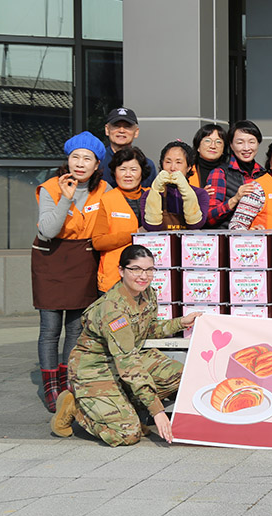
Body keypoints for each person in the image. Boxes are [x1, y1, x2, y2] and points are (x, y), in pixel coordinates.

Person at [50, 245, 202, 446]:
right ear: (121, 270)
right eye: (136, 269)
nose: (143, 276)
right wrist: (157, 411)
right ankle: (76, 407)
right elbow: (128, 364)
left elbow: (148, 329)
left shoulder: (147, 294)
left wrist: (180, 322)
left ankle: (123, 407)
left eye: (149, 270)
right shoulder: (113, 310)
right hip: (96, 370)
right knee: (128, 434)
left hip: (126, 360)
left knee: (183, 374)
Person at [33, 132, 109, 411]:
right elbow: (48, 230)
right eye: (75, 157)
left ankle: (69, 384)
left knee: (76, 328)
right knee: (50, 328)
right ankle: (51, 388)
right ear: (67, 160)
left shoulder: (104, 191)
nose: (80, 163)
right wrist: (65, 199)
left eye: (87, 158)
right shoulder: (51, 187)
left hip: (83, 261)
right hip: (51, 258)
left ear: (97, 164)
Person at [92, 147, 151, 293]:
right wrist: (135, 233)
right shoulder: (107, 199)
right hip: (114, 280)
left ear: (142, 172)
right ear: (115, 172)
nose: (128, 175)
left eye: (133, 169)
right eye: (122, 169)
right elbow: (98, 242)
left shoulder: (153, 196)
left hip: (149, 279)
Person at [204, 120, 265, 228]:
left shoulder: (264, 174)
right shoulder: (220, 173)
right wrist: (235, 199)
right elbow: (209, 217)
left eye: (251, 142)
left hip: (258, 240)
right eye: (240, 143)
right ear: (231, 145)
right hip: (228, 240)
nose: (246, 148)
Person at [141, 141, 209, 231]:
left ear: (189, 167)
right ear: (162, 164)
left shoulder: (200, 194)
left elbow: (195, 225)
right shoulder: (148, 195)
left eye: (179, 162)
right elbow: (152, 227)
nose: (173, 168)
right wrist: (155, 191)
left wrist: (186, 191)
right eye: (168, 162)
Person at [98, 108, 156, 188]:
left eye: (127, 127)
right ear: (107, 130)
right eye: (116, 126)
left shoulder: (147, 165)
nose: (121, 130)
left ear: (136, 132)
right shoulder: (97, 162)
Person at [188, 124, 228, 188]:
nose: (213, 146)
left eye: (218, 142)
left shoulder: (230, 173)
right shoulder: (188, 171)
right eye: (207, 141)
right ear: (198, 146)